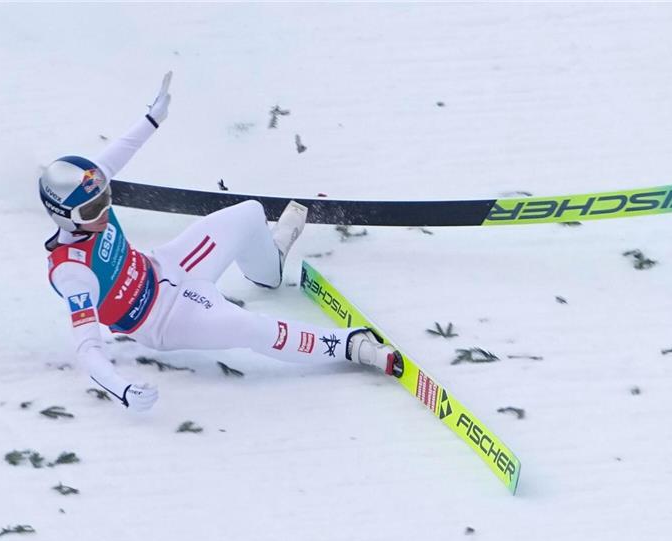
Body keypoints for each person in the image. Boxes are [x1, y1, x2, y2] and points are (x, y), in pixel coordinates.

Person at [40, 72, 402, 411]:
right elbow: (88, 349)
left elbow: (118, 154)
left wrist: (153, 118)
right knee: (250, 327)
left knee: (248, 213)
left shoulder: (89, 188)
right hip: (163, 318)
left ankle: (268, 268)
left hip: (169, 264)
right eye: (91, 211)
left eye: (105, 199)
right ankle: (352, 346)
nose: (102, 212)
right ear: (64, 216)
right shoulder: (73, 272)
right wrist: (121, 389)